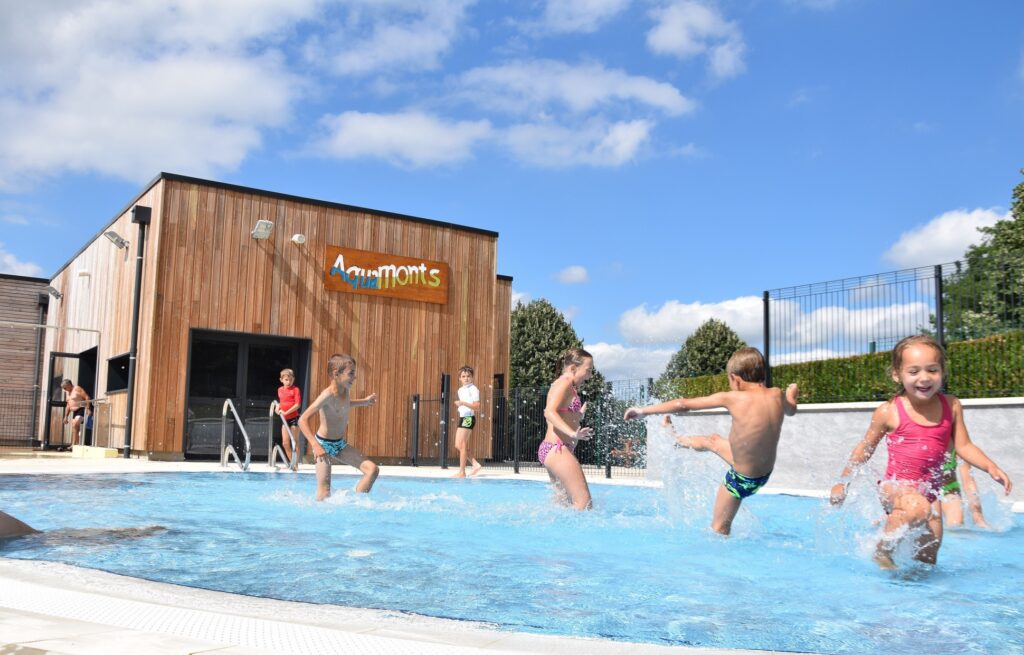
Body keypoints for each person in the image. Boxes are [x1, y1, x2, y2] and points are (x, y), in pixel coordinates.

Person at [830, 335, 1011, 569]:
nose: (924, 378)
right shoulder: (889, 411)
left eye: (932, 370)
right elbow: (865, 448)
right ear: (897, 374)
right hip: (894, 487)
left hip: (930, 492)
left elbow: (964, 446)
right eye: (913, 371)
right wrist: (842, 482)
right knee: (917, 508)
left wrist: (990, 467)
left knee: (928, 557)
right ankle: (881, 549)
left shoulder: (952, 405)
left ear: (942, 371)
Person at [624, 347, 798, 535]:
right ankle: (677, 439)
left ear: (735, 378)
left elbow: (683, 404)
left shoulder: (732, 398)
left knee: (718, 528)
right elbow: (792, 410)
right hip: (762, 473)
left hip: (741, 479)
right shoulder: (777, 394)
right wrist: (791, 394)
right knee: (713, 441)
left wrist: (643, 411)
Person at [297, 354, 380, 500]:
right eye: (351, 373)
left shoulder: (345, 390)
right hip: (322, 445)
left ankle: (356, 502)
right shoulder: (327, 395)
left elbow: (343, 404)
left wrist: (364, 402)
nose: (354, 378)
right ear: (336, 374)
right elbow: (302, 420)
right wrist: (315, 445)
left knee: (372, 470)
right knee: (324, 492)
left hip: (340, 445)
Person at [539, 348, 595, 510]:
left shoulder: (568, 385)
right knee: (584, 503)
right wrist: (573, 433)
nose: (590, 375)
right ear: (572, 368)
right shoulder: (564, 383)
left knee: (563, 504)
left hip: (556, 449)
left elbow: (562, 414)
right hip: (557, 449)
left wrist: (578, 415)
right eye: (588, 370)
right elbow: (549, 412)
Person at [939, 451, 990, 529]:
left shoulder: (958, 443)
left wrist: (978, 515)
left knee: (956, 526)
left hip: (948, 491)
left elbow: (968, 481)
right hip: (922, 491)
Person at [453, 365, 483, 477]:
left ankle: (462, 472)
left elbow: (477, 406)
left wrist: (463, 403)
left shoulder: (473, 389)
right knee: (458, 445)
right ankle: (475, 464)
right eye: (463, 376)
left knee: (462, 444)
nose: (466, 378)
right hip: (463, 417)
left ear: (472, 377)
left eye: (468, 376)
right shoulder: (460, 390)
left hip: (468, 418)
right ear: (460, 378)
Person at [276, 368, 302, 471]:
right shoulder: (280, 390)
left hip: (294, 418)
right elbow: (282, 402)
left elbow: (297, 404)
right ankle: (292, 463)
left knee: (295, 441)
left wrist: (286, 412)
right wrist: (277, 408)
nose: (288, 382)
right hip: (284, 419)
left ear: (293, 379)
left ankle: (296, 464)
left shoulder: (296, 390)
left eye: (290, 379)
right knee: (285, 443)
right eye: (286, 379)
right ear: (281, 380)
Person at [61, 379, 90, 446]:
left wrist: (88, 408)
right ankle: (76, 443)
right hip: (75, 412)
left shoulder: (77, 388)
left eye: (65, 387)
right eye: (63, 388)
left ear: (69, 385)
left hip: (81, 409)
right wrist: (66, 416)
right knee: (74, 427)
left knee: (75, 424)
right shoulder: (68, 393)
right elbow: (68, 405)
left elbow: (87, 397)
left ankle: (74, 444)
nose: (64, 389)